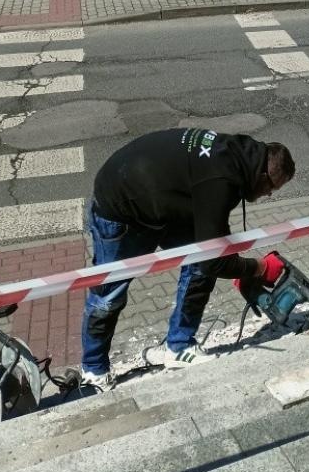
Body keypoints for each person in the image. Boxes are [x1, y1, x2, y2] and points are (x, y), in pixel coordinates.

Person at [79, 128, 295, 390]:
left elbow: (214, 241)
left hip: (159, 200)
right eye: (272, 187)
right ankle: (93, 371)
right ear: (262, 175)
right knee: (108, 295)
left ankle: (178, 347)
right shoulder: (222, 180)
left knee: (199, 267)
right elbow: (214, 260)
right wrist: (257, 268)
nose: (269, 195)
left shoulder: (237, 156)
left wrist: (236, 263)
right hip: (121, 208)